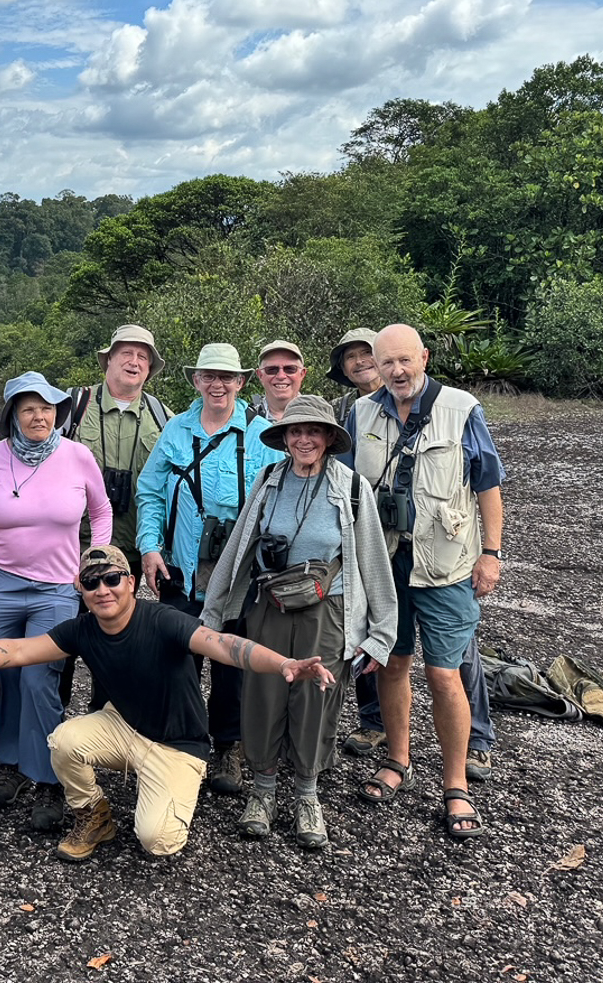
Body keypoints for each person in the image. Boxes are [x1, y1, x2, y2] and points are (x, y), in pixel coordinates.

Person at [0, 545, 335, 861]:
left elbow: (224, 645)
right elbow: (21, 651)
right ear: (81, 590)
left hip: (177, 745)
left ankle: (160, 793)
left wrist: (284, 663)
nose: (103, 589)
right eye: (92, 582)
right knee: (63, 740)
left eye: (112, 579)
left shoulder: (162, 620)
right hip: (124, 726)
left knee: (157, 841)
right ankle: (94, 815)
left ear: (131, 582)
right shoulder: (82, 630)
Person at [200, 395, 397, 849]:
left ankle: (307, 795)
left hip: (328, 608)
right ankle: (263, 792)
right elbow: (239, 549)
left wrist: (380, 634)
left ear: (329, 438)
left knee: (315, 698)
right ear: (284, 438)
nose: (304, 439)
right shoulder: (268, 481)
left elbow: (372, 560)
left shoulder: (350, 487)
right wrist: (214, 613)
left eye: (313, 431)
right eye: (295, 431)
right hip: (270, 604)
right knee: (264, 695)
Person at [345, 324, 504, 840]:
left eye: (405, 361)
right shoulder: (362, 412)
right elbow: (347, 485)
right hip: (385, 563)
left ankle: (455, 784)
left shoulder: (462, 408)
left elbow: (488, 484)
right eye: (387, 362)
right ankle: (397, 760)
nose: (397, 371)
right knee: (390, 663)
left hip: (446, 565)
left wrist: (492, 554)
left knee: (443, 675)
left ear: (424, 358)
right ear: (376, 363)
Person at [0, 372, 112, 831]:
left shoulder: (77, 456)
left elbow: (101, 511)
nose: (39, 415)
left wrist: (94, 565)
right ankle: (9, 764)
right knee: (3, 676)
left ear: (57, 413)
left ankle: (47, 776)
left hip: (57, 589)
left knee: (40, 681)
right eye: (28, 408)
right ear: (12, 415)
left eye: (47, 407)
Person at [135, 343, 275, 794]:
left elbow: (277, 499)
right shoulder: (175, 430)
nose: (218, 385)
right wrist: (149, 548)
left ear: (241, 382)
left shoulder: (261, 434)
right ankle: (182, 741)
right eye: (209, 377)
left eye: (227, 378)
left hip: (236, 569)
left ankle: (228, 746)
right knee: (179, 657)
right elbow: (151, 492)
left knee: (231, 660)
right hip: (180, 563)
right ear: (195, 380)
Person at [57, 323, 169, 711]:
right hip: (76, 545)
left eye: (143, 356)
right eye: (126, 353)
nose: (134, 362)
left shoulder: (162, 415)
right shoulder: (73, 407)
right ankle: (53, 723)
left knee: (120, 636)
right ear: (108, 359)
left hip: (135, 545)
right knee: (65, 637)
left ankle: (107, 718)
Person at [246, 338, 307, 425]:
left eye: (290, 369)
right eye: (271, 370)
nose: (281, 376)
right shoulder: (245, 420)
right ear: (260, 375)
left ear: (302, 374)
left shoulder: (321, 416)